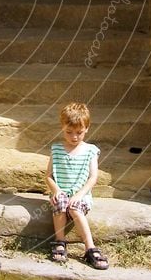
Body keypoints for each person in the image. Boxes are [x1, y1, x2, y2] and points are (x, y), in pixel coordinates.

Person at [45, 101, 109, 269]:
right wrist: (56, 190)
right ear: (62, 127)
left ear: (87, 128)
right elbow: (49, 176)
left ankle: (90, 247)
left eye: (79, 132)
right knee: (60, 203)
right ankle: (60, 241)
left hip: (81, 195)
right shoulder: (57, 149)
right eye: (69, 132)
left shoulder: (90, 151)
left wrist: (79, 195)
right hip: (62, 194)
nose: (74, 137)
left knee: (74, 208)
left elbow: (93, 177)